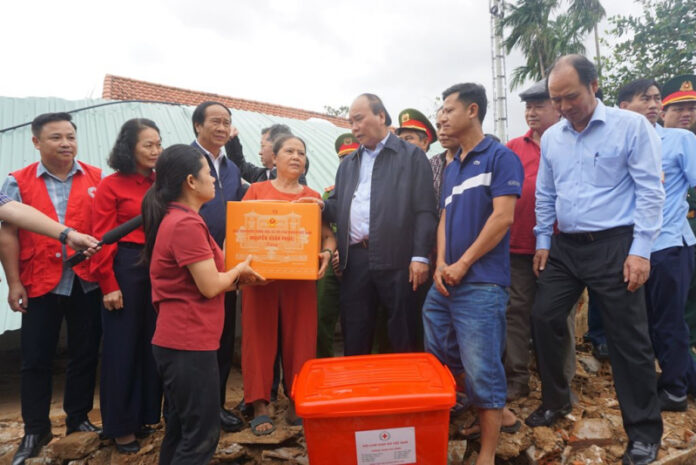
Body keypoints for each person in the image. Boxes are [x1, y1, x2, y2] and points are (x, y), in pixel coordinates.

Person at [528, 55, 664, 465]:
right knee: (544, 317)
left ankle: (643, 433)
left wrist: (641, 250)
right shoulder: (553, 137)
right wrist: (543, 239)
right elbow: (546, 192)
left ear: (594, 86)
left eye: (570, 97)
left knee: (628, 340)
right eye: (556, 99)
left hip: (615, 245)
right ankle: (556, 401)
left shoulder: (631, 127)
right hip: (566, 247)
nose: (563, 106)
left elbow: (650, 190)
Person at [143, 144, 263, 465]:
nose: (213, 179)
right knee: (200, 438)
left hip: (181, 341)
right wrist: (239, 270)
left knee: (181, 431)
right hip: (188, 343)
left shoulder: (179, 218)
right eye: (208, 173)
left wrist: (240, 279)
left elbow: (201, 281)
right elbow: (210, 286)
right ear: (190, 182)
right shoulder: (186, 224)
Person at [422, 83, 523, 465]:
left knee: (483, 367)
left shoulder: (500, 157)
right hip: (447, 280)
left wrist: (464, 263)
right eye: (440, 112)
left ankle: (487, 453)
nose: (442, 118)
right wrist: (441, 264)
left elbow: (503, 218)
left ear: (473, 110)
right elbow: (444, 217)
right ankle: (485, 411)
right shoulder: (452, 166)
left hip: (481, 282)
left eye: (448, 110)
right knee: (439, 349)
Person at [0, 113, 103, 465]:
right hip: (40, 279)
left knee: (85, 352)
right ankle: (36, 429)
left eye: (70, 136)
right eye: (56, 137)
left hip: (86, 280)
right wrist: (14, 281)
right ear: (36, 142)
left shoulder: (97, 178)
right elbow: (7, 234)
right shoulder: (17, 181)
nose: (65, 143)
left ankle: (78, 418)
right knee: (35, 358)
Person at [323, 93, 437, 355]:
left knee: (402, 334)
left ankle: (404, 381)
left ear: (381, 116)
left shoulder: (411, 157)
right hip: (356, 261)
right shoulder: (349, 164)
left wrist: (420, 256)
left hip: (399, 258)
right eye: (350, 122)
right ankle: (359, 381)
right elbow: (339, 207)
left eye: (359, 119)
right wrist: (321, 206)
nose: (354, 128)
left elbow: (425, 210)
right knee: (356, 333)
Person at [241, 134, 334, 434]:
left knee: (301, 339)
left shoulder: (312, 196)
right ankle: (259, 404)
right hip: (260, 281)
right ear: (274, 158)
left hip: (300, 281)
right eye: (289, 151)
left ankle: (298, 398)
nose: (296, 157)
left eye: (301, 153)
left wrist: (326, 253)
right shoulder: (256, 191)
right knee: (258, 338)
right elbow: (240, 230)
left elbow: (327, 236)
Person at [618, 78, 696, 411]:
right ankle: (680, 380)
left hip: (669, 244)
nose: (653, 104)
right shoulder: (620, 144)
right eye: (645, 98)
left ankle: (675, 390)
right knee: (645, 322)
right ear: (624, 108)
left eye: (656, 98)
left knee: (669, 320)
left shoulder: (679, 140)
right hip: (634, 248)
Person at [90, 118, 163, 453]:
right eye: (148, 144)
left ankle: (145, 415)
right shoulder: (111, 186)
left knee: (152, 344)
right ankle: (120, 427)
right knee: (122, 347)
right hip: (125, 266)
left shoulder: (162, 183)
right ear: (129, 147)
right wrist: (108, 283)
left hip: (159, 267)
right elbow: (102, 238)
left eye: (158, 144)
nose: (155, 150)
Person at [503, 80, 573, 401]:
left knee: (558, 316)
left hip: (560, 246)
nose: (531, 113)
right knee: (516, 311)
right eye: (528, 107)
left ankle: (559, 384)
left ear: (557, 108)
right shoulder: (512, 148)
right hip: (518, 246)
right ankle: (516, 378)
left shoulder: (571, 142)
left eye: (539, 106)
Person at [190, 101, 245, 432]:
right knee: (193, 342)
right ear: (198, 125)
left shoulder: (232, 168)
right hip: (191, 263)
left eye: (226, 122)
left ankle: (217, 406)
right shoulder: (184, 160)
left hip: (226, 266)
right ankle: (188, 411)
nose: (222, 127)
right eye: (215, 121)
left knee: (222, 339)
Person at [662, 75, 696, 357]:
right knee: (674, 310)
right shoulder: (648, 142)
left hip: (685, 234)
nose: (686, 114)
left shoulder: (690, 141)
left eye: (691, 108)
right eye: (678, 108)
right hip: (664, 237)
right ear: (663, 112)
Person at [316, 133, 357, 358]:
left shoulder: (373, 191)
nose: (347, 162)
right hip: (332, 260)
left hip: (360, 258)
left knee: (360, 317)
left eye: (352, 156)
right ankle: (323, 362)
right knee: (321, 314)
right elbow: (325, 229)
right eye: (343, 158)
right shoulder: (329, 193)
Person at [225, 123, 307, 185]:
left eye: (263, 146)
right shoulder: (262, 175)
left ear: (276, 147)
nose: (260, 152)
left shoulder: (295, 178)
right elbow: (239, 164)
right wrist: (232, 138)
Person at [430, 108, 460, 204]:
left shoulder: (477, 161)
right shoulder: (433, 163)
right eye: (438, 126)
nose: (441, 132)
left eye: (447, 126)